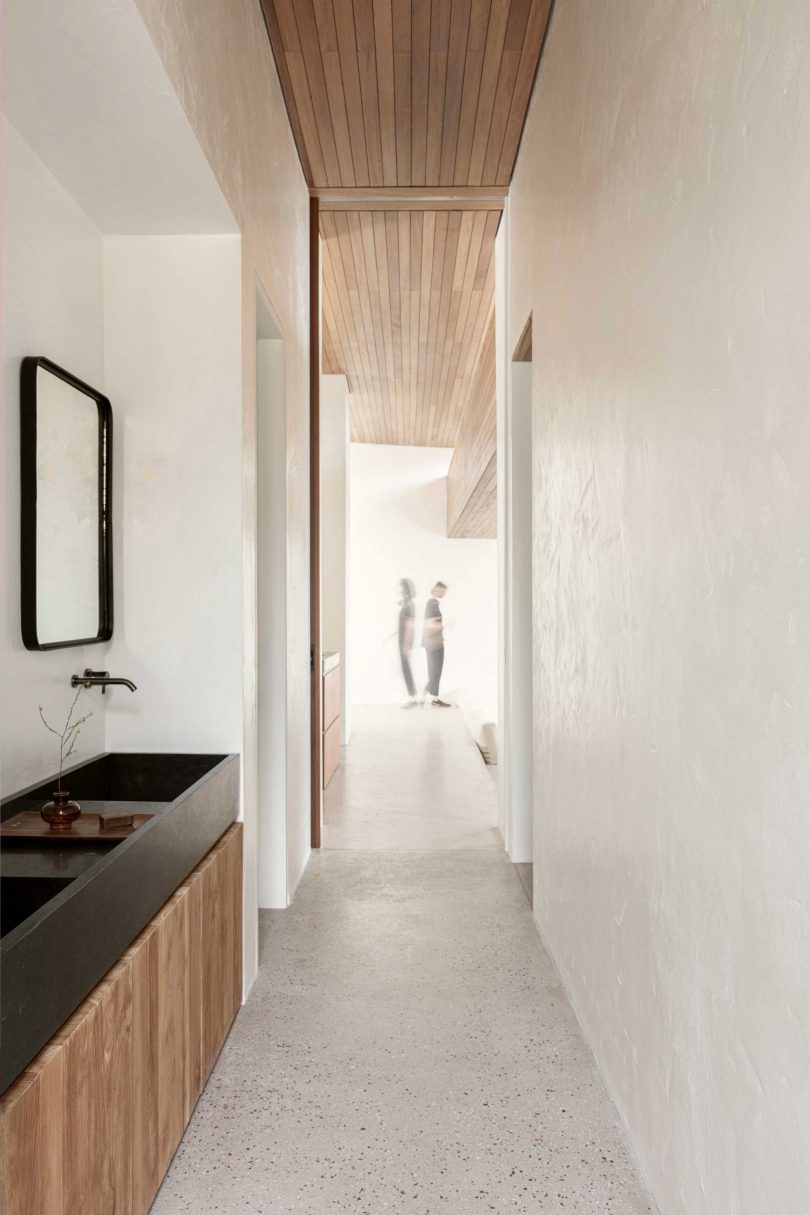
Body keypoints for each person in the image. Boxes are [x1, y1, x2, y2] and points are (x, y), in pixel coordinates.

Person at [422, 581, 450, 706]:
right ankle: (423, 693)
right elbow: (430, 624)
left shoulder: (434, 603)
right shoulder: (432, 603)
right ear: (437, 589)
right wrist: (443, 626)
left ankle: (434, 698)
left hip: (435, 641)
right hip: (433, 643)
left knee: (436, 670)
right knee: (435, 670)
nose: (444, 593)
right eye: (443, 591)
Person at [397, 578, 418, 708]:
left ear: (407, 588)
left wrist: (407, 646)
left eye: (402, 586)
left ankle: (413, 699)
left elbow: (410, 627)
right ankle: (412, 698)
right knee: (405, 669)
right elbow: (402, 624)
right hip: (401, 640)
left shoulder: (409, 605)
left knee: (406, 669)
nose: (400, 589)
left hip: (404, 641)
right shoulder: (407, 604)